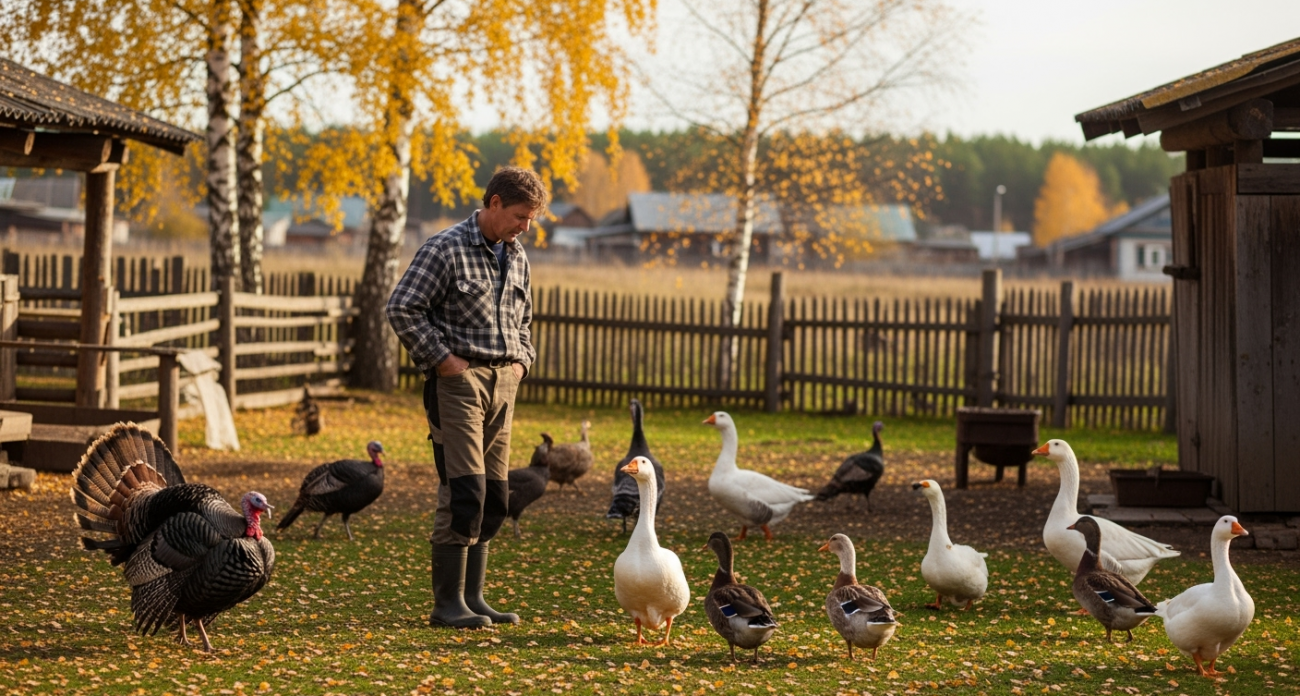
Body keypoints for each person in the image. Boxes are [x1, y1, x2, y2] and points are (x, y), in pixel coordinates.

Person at [387, 166, 546, 628]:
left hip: (505, 384)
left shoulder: (517, 257)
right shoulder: (445, 248)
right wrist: (443, 361)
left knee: (495, 494)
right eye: (519, 216)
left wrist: (521, 363)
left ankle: (474, 598)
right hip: (458, 385)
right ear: (494, 203)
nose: (525, 227)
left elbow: (525, 321)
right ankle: (447, 604)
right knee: (464, 490)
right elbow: (402, 307)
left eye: (532, 219)